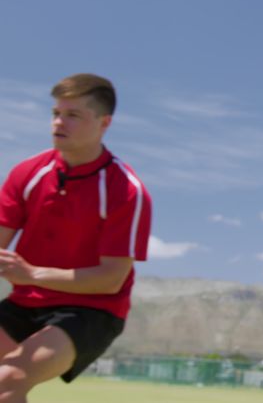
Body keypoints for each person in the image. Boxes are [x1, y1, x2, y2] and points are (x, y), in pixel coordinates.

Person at [0, 73, 152, 402]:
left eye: (73, 115)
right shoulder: (27, 173)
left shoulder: (127, 191)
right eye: (56, 113)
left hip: (91, 310)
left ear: (104, 122)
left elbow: (110, 280)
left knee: (7, 380)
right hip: (25, 303)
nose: (59, 122)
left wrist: (33, 274)